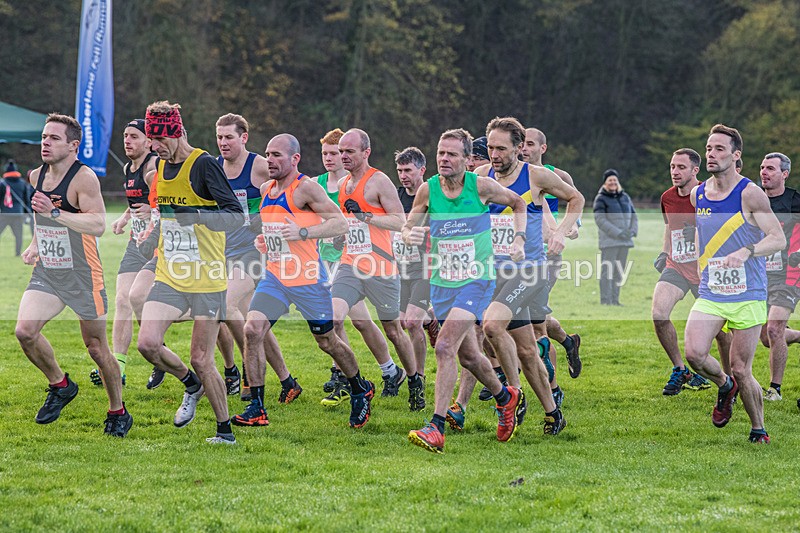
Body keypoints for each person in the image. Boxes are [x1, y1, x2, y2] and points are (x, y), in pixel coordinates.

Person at [232, 134, 377, 428]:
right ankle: (257, 408)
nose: (270, 160)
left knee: (327, 341)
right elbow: (276, 230)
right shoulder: (266, 188)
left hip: (308, 278)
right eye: (268, 154)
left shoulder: (306, 188)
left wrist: (302, 233)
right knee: (252, 329)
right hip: (275, 276)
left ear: (294, 159)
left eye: (277, 155)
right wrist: (266, 241)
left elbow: (338, 223)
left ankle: (360, 388)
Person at [404, 128, 528, 453]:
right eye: (440, 154)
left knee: (444, 347)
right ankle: (506, 397)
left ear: (466, 159)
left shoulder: (480, 186)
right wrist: (409, 234)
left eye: (452, 154)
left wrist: (518, 238)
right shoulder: (427, 191)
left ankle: (437, 426)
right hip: (443, 283)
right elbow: (408, 226)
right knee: (470, 356)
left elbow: (518, 203)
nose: (444, 159)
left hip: (477, 279)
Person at [15, 113, 132, 437]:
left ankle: (117, 411)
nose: (45, 143)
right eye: (43, 137)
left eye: (53, 138)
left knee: (96, 348)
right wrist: (36, 244)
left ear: (73, 145)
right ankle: (61, 384)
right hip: (49, 273)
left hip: (83, 274)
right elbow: (42, 218)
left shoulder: (84, 179)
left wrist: (56, 212)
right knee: (25, 332)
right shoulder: (36, 175)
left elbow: (97, 224)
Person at [136, 101, 244, 445]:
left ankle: (224, 431)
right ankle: (190, 384)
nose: (153, 146)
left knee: (202, 357)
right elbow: (167, 217)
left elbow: (235, 216)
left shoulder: (204, 165)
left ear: (177, 132)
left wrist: (198, 216)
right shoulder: (160, 169)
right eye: (151, 139)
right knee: (148, 343)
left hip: (207, 277)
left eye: (158, 139)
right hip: (170, 274)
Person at [471, 117, 583, 436]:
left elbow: (576, 199)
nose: (494, 154)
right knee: (526, 350)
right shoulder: (481, 176)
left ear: (519, 148)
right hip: (496, 273)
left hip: (530, 271)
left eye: (501, 148)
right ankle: (552, 412)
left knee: (491, 325)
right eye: (490, 147)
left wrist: (560, 232)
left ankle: (511, 394)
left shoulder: (536, 176)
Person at [684, 124, 785, 444]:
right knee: (694, 354)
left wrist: (747, 251)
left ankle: (759, 429)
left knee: (743, 368)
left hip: (748, 293)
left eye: (719, 149)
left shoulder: (749, 192)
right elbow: (702, 232)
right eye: (709, 149)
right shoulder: (697, 193)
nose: (712, 155)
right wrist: (701, 264)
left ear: (735, 155)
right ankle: (725, 386)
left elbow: (777, 238)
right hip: (712, 291)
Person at [331, 128, 419, 403]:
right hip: (349, 264)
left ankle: (413, 379)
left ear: (366, 152)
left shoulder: (379, 181)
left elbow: (399, 222)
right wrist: (341, 236)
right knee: (332, 319)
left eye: (349, 151)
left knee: (393, 329)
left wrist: (367, 218)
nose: (343, 156)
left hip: (380, 266)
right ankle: (355, 381)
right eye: (341, 151)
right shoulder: (344, 184)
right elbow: (350, 224)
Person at [215, 113, 291, 402]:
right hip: (224, 251)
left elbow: (288, 192)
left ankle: (247, 371)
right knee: (252, 323)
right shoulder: (214, 167)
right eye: (220, 137)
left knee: (224, 305)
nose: (223, 143)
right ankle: (287, 380)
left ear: (243, 138)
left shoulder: (259, 166)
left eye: (229, 137)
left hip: (253, 251)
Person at [314, 127, 385, 406]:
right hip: (325, 259)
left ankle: (379, 371)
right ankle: (371, 372)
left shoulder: (353, 181)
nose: (330, 158)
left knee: (355, 321)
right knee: (349, 320)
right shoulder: (317, 183)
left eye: (336, 152)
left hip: (353, 259)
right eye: (326, 153)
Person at [88, 119, 158, 388]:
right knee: (122, 300)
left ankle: (158, 349)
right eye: (125, 136)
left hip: (158, 244)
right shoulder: (129, 167)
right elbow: (136, 201)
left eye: (134, 136)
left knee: (142, 301)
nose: (127, 141)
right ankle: (119, 365)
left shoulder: (153, 168)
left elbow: (165, 204)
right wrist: (125, 218)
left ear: (149, 142)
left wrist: (150, 214)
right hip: (135, 244)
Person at [652, 148, 725, 395]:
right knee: (659, 314)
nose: (675, 171)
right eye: (672, 166)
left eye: (681, 167)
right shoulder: (667, 197)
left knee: (721, 334)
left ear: (696, 170)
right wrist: (664, 252)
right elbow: (668, 227)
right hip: (677, 266)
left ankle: (729, 381)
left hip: (707, 271)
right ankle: (680, 369)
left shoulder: (710, 195)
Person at [520, 127, 583, 405]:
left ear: (542, 148)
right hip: (520, 256)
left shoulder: (558, 176)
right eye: (521, 143)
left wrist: (565, 230)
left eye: (530, 144)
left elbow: (575, 213)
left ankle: (551, 387)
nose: (525, 148)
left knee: (537, 322)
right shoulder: (512, 177)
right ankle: (569, 342)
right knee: (535, 316)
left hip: (549, 255)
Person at [394, 146, 438, 411]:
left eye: (408, 170)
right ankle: (431, 320)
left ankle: (418, 377)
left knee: (411, 322)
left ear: (422, 170)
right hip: (401, 267)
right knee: (401, 322)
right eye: (399, 170)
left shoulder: (432, 197)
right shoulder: (395, 196)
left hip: (427, 266)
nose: (403, 176)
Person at [757, 152, 800, 401]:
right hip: (759, 275)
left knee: (774, 329)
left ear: (784, 174)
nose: (764, 172)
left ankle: (775, 389)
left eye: (771, 168)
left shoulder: (795, 201)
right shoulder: (753, 200)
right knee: (765, 337)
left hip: (789, 272)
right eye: (762, 167)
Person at [593, 168, 637, 305]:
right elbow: (600, 220)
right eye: (610, 180)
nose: (613, 182)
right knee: (608, 272)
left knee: (619, 272)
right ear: (605, 183)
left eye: (614, 180)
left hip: (625, 242)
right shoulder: (600, 199)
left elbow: (634, 215)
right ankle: (606, 301)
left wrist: (632, 231)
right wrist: (618, 233)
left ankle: (615, 300)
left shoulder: (625, 197)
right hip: (610, 242)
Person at [0, 160, 34, 255]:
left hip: (5, 213)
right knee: (19, 235)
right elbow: (26, 200)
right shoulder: (22, 183)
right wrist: (26, 214)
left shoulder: (2, 183)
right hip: (18, 213)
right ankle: (18, 253)